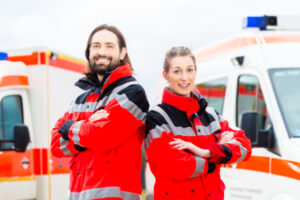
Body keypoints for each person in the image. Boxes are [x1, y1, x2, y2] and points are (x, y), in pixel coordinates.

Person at [51, 24, 149, 200]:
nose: (101, 51)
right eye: (96, 46)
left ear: (122, 52)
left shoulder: (133, 93)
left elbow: (103, 136)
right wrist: (87, 128)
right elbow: (55, 145)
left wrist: (71, 128)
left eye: (109, 46)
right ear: (89, 52)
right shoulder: (80, 100)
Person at [145, 46, 251, 200]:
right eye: (177, 71)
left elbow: (245, 145)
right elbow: (176, 166)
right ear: (165, 75)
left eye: (189, 70)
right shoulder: (157, 118)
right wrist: (217, 158)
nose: (184, 77)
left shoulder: (211, 115)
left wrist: (207, 152)